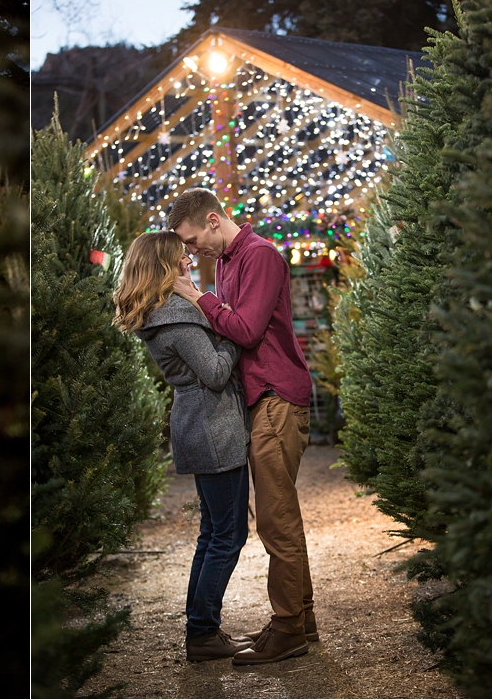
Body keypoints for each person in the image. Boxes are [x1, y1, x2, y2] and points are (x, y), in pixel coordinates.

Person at [168, 187, 316, 666]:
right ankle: (300, 619)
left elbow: (247, 330)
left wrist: (197, 296)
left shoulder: (260, 255)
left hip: (275, 395)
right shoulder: (227, 262)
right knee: (280, 514)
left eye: (192, 241)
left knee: (276, 520)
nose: (192, 252)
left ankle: (289, 629)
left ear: (214, 220)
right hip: (258, 400)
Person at [113, 230, 253, 663]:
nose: (189, 263)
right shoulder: (177, 315)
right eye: (181, 259)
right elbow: (213, 372)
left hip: (197, 424)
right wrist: (234, 332)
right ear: (163, 266)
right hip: (214, 429)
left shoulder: (163, 313)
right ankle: (203, 633)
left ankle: (202, 628)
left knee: (212, 533)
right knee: (229, 536)